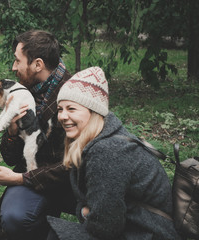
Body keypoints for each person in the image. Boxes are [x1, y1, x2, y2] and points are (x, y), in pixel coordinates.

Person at [46, 66, 181, 239]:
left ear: (94, 111)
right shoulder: (105, 135)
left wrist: (84, 212)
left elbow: (105, 227)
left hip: (148, 233)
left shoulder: (106, 151)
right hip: (136, 226)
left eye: (71, 109)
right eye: (60, 109)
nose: (63, 116)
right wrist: (87, 210)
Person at [0, 30, 76, 240]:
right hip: (34, 171)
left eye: (18, 61)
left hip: (70, 181)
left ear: (38, 65)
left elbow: (72, 165)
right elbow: (11, 158)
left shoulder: (73, 96)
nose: (13, 67)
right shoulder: (25, 91)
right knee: (13, 217)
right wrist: (12, 131)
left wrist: (19, 179)